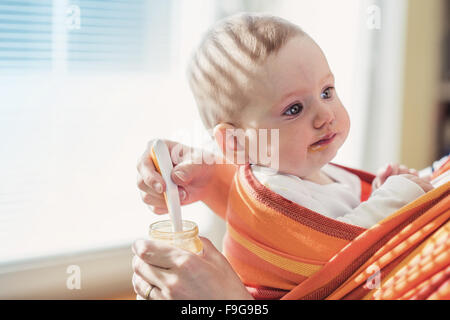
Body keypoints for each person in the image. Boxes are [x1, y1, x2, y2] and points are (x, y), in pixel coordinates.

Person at [132, 13, 436, 300]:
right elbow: (337, 253)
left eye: (327, 91)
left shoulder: (302, 167)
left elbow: (349, 216)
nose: (325, 115)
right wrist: (398, 196)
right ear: (236, 143)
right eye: (294, 109)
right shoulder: (273, 193)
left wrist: (381, 193)